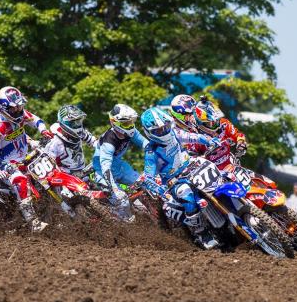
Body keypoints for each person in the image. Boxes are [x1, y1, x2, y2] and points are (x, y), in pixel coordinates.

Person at [140, 106, 219, 249]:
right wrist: (158, 189)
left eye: (165, 127)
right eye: (158, 131)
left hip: (193, 165)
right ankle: (202, 233)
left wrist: (209, 141)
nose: (164, 131)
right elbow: (148, 176)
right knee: (186, 194)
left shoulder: (174, 132)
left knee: (219, 172)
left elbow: (193, 137)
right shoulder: (151, 152)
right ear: (149, 132)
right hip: (174, 181)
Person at [0, 86, 52, 232]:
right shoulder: (0, 127)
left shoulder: (21, 115)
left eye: (20, 106)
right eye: (14, 108)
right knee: (20, 181)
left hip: (24, 156)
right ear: (4, 109)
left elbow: (36, 120)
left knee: (48, 169)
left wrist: (43, 131)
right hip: (6, 163)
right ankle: (33, 222)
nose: (18, 110)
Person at [91, 104, 146, 220]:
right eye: (126, 123)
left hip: (119, 166)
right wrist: (115, 189)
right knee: (122, 201)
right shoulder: (108, 142)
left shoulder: (130, 131)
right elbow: (105, 168)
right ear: (115, 123)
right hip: (103, 173)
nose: (130, 125)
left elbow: (145, 144)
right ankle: (118, 222)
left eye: (131, 122)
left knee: (145, 184)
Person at [43, 105, 98, 177]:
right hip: (66, 178)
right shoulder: (55, 142)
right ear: (66, 123)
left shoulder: (81, 133)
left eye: (79, 121)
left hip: (83, 173)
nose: (78, 125)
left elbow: (93, 141)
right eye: (74, 122)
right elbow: (49, 167)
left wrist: (104, 149)